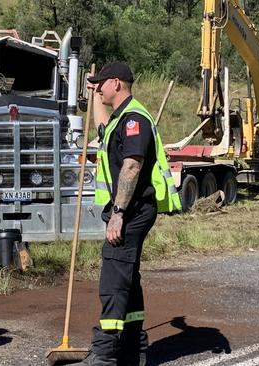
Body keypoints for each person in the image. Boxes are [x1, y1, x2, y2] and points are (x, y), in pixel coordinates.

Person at [76, 62, 181, 366]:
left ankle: (106, 353)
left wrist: (118, 213)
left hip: (132, 210)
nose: (99, 87)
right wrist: (94, 96)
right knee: (128, 278)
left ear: (117, 83)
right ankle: (134, 348)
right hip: (132, 208)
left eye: (102, 84)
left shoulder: (135, 119)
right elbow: (102, 128)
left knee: (113, 278)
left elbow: (132, 166)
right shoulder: (121, 118)